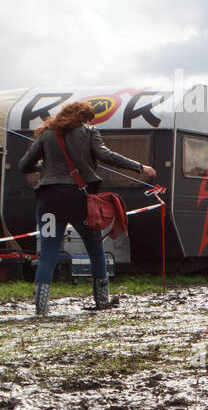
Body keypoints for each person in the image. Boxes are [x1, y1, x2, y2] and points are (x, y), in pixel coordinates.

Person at [17, 100, 157, 315]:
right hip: (78, 198)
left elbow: (23, 166)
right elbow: (107, 156)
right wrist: (140, 167)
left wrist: (45, 167)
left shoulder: (47, 134)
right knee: (94, 248)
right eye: (91, 118)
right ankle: (102, 300)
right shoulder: (89, 132)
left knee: (47, 254)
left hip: (48, 199)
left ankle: (41, 307)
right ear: (85, 118)